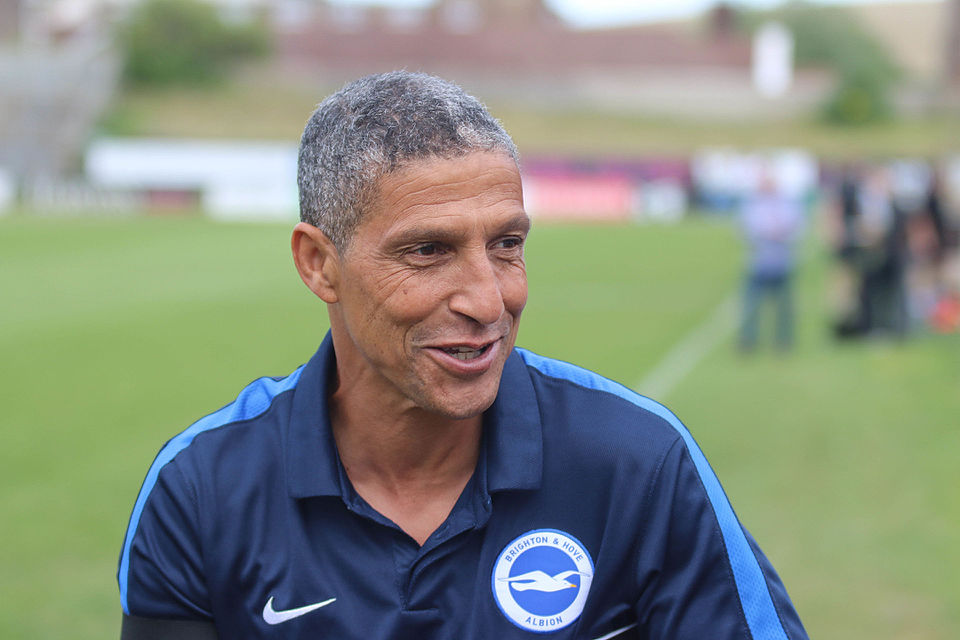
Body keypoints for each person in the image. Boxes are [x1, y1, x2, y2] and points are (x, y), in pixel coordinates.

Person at [118, 71, 809, 640]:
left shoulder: (641, 462)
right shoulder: (202, 491)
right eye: (428, 251)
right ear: (319, 264)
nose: (487, 301)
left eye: (507, 245)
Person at [738, 172, 804, 351]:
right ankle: (748, 340)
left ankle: (784, 341)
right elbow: (747, 229)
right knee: (751, 305)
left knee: (784, 307)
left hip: (782, 262)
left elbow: (795, 226)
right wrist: (768, 232)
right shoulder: (753, 204)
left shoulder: (787, 204)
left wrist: (779, 231)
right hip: (758, 262)